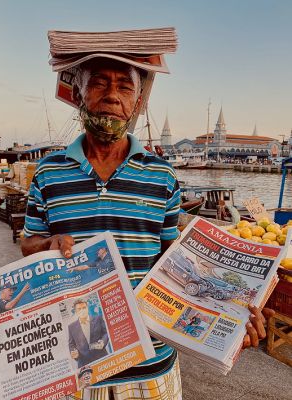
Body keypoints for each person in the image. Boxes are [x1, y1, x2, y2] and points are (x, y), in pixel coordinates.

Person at [21, 51, 273, 400]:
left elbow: (173, 260)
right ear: (79, 95)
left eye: (124, 87)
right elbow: (29, 240)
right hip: (74, 365)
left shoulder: (162, 176)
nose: (112, 95)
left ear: (137, 102)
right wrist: (47, 245)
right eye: (98, 83)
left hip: (151, 365)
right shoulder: (48, 172)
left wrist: (232, 316)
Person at [69, 299, 108, 368]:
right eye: (79, 309)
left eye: (84, 308)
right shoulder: (71, 327)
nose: (82, 310)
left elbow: (105, 333)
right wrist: (74, 352)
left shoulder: (98, 318)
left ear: (87, 308)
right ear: (76, 312)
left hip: (101, 357)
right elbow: (71, 344)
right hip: (84, 363)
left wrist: (103, 342)